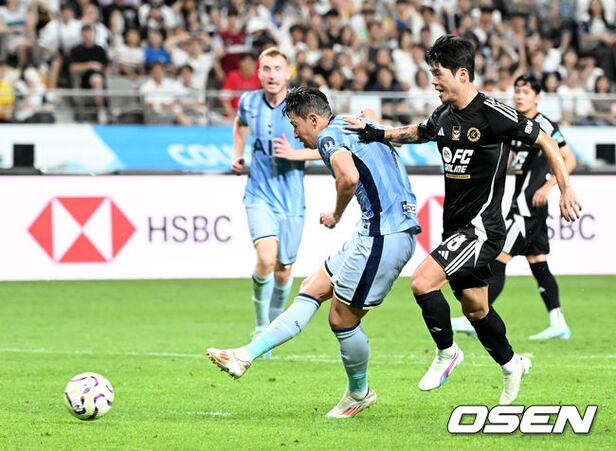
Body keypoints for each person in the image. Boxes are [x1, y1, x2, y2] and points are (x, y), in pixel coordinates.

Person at [345, 35, 582, 405]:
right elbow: (419, 133)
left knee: (422, 282)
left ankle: (447, 352)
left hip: (481, 230)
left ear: (462, 74)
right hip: (455, 228)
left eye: (438, 73)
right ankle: (512, 364)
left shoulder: (495, 114)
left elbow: (548, 142)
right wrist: (376, 133)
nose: (433, 81)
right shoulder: (444, 113)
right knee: (477, 309)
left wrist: (564, 188)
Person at [206, 87, 421, 419]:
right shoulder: (354, 124)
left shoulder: (328, 136)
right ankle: (245, 355)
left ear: (313, 119)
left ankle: (359, 393)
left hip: (384, 235)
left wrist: (335, 214)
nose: (295, 134)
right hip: (378, 230)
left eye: (296, 125)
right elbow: (376, 134)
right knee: (313, 287)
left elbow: (348, 178)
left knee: (342, 319)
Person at [451, 74, 577, 340]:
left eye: (527, 92)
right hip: (523, 204)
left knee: (498, 257)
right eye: (518, 91)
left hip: (527, 207)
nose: (520, 96)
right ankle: (558, 322)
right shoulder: (515, 124)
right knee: (538, 262)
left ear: (537, 97)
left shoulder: (543, 124)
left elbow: (569, 158)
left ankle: (477, 315)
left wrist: (549, 186)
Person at [228, 48, 317, 355]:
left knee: (283, 270)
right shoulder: (248, 102)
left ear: (287, 72)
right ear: (259, 72)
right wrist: (237, 153)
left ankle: (274, 328)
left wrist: (295, 154)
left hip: (291, 199)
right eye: (266, 68)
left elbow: (326, 146)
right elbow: (239, 124)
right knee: (266, 259)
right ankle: (260, 326)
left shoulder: (302, 105)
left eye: (277, 68)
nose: (271, 74)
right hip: (259, 193)